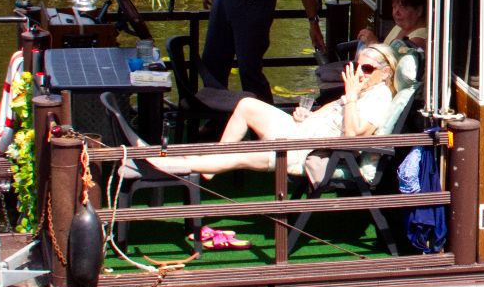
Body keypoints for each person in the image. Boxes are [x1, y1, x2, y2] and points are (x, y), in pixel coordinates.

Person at [159, 42, 398, 182]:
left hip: (302, 149)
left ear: (386, 72)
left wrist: (352, 97)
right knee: (246, 105)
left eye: (367, 69)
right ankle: (213, 164)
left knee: (242, 154)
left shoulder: (379, 97)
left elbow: (352, 136)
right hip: (299, 131)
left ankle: (174, 164)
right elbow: (330, 108)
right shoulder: (363, 90)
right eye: (357, 66)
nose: (360, 73)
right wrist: (309, 115)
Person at [360, 0, 429, 89]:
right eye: (394, 7)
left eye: (402, 7)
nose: (396, 12)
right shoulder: (401, 26)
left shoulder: (418, 40)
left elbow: (391, 69)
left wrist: (372, 43)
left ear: (419, 11)